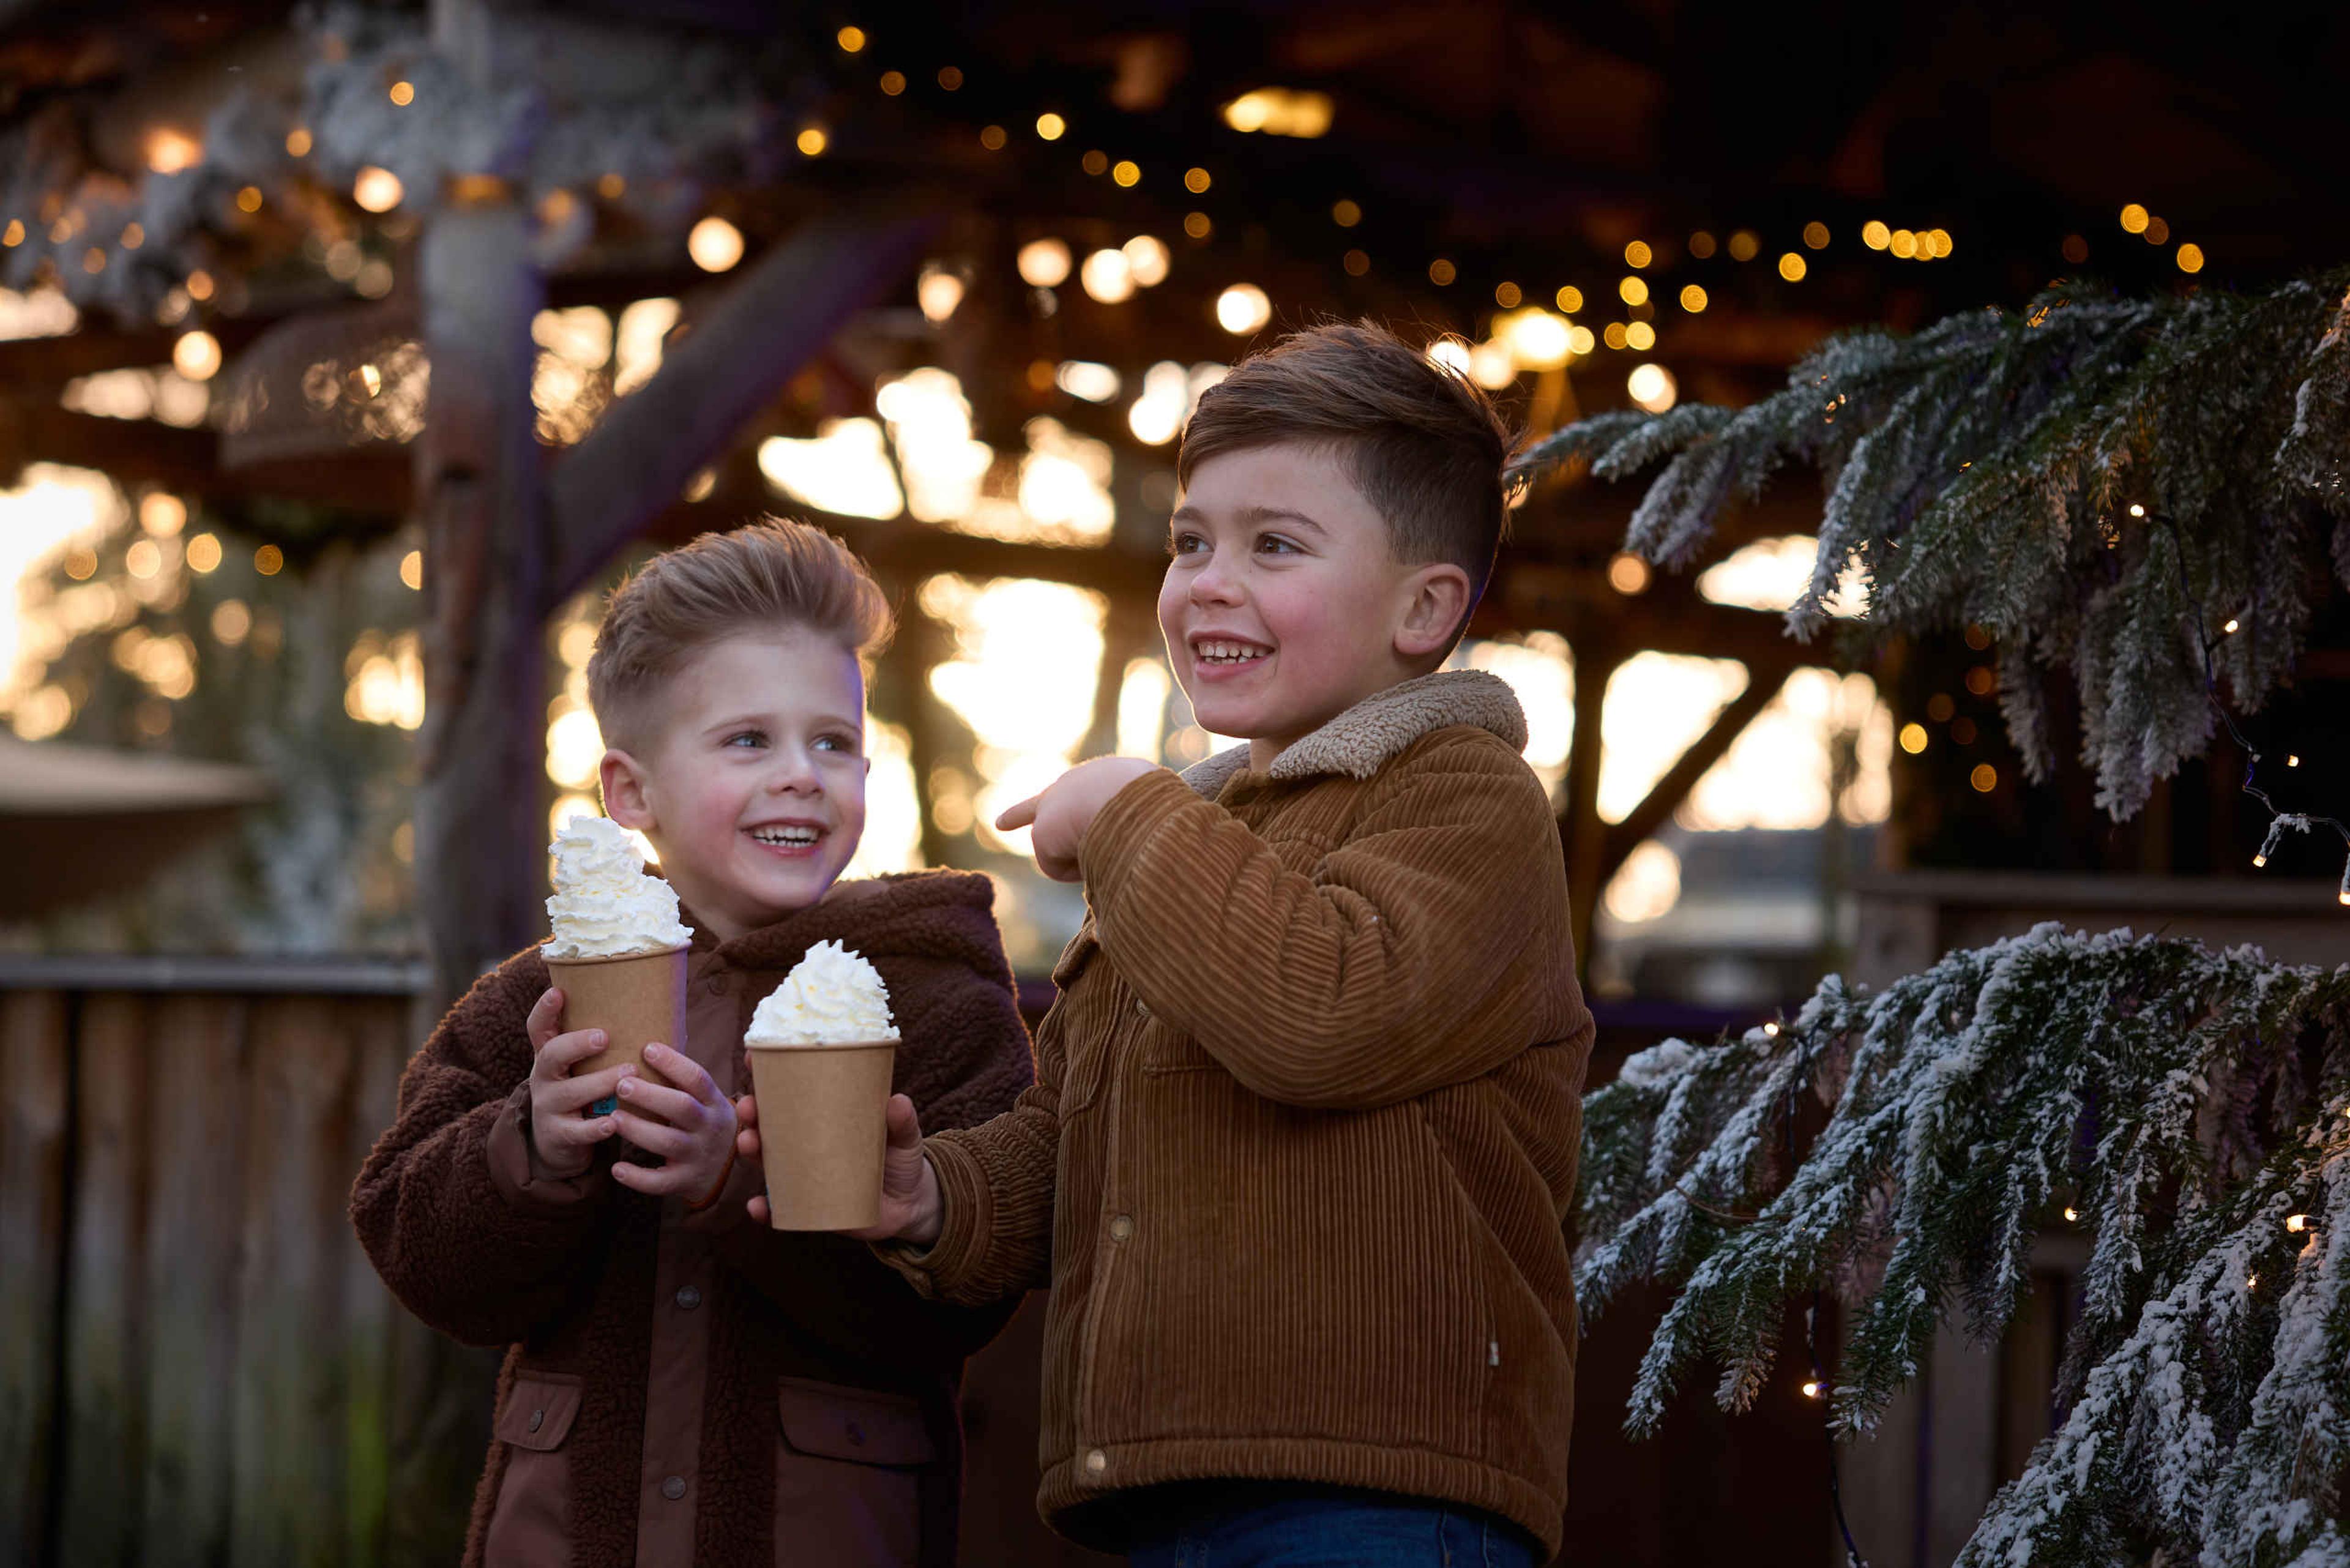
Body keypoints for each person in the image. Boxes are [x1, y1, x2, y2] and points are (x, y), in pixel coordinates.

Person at [852, 322, 1596, 1566]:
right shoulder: (1195, 847)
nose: (1208, 581)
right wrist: (935, 1196)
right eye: (1191, 539)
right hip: (1171, 1491)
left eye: (1275, 546)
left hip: (1377, 1498)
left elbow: (1318, 1012)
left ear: (1426, 606)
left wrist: (1132, 813)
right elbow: (1092, 1135)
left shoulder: (1463, 799)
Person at [351, 520, 1034, 1568]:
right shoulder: (541, 996)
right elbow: (415, 1246)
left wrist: (738, 1185)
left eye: (834, 741)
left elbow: (962, 1303)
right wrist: (529, 1148)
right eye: (748, 739)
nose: (803, 773)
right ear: (631, 792)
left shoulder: (933, 998)